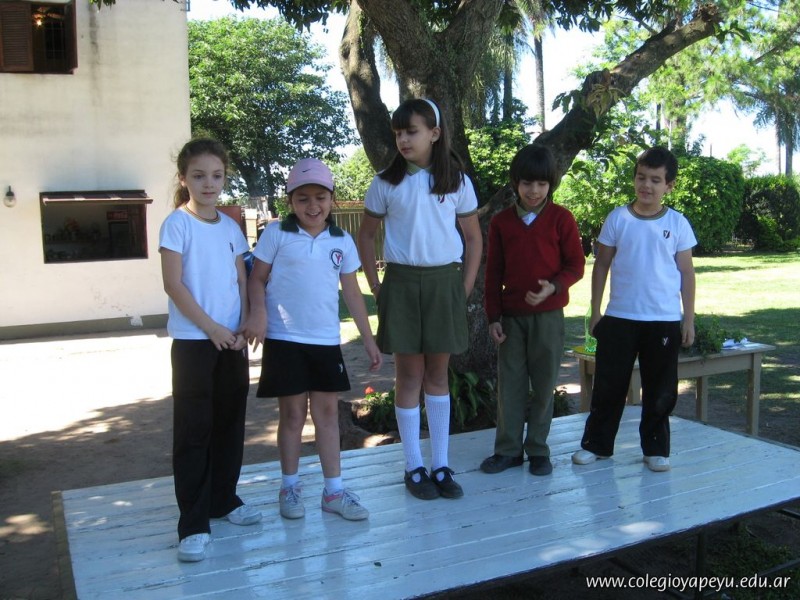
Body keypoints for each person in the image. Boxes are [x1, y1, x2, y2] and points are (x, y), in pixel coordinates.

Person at [242, 158, 382, 521]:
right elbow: (257, 279)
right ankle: (289, 487)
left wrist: (369, 339)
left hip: (325, 342)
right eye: (302, 198)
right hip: (284, 340)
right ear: (290, 201)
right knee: (291, 416)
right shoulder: (276, 234)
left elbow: (352, 293)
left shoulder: (342, 240)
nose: (313, 206)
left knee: (327, 416)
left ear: (332, 199)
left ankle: (333, 492)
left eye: (320, 197)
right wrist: (257, 314)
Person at [357, 98, 482, 500]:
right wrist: (376, 286)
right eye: (398, 133)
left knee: (438, 376)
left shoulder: (457, 181)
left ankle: (441, 465)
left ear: (435, 133)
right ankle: (414, 466)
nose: (403, 139)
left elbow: (474, 238)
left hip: (445, 283)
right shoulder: (385, 182)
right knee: (409, 376)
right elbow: (365, 236)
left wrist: (463, 287)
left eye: (411, 131)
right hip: (402, 283)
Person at [159, 138, 262, 563]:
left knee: (229, 424)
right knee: (194, 431)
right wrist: (211, 328)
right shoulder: (176, 225)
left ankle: (223, 500)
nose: (209, 184)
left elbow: (242, 280)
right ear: (183, 178)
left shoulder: (231, 228)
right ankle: (193, 523)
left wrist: (243, 324)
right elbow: (174, 285)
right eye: (199, 175)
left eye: (217, 176)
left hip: (231, 342)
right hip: (194, 343)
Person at [572, 146, 696, 472]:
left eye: (655, 180)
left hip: (663, 320)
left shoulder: (678, 223)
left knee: (660, 390)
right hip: (619, 317)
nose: (646, 185)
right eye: (641, 177)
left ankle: (655, 449)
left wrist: (688, 319)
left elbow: (687, 273)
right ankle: (596, 445)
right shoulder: (618, 218)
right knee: (608, 386)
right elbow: (601, 265)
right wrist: (596, 310)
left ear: (669, 185)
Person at [480, 144, 585, 477]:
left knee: (543, 385)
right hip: (511, 319)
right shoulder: (501, 223)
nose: (534, 190)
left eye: (541, 183)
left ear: (550, 184)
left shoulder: (561, 219)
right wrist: (493, 317)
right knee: (510, 386)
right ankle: (508, 450)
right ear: (516, 183)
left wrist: (554, 286)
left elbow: (576, 265)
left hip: (549, 318)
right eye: (527, 183)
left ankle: (538, 449)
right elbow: (493, 273)